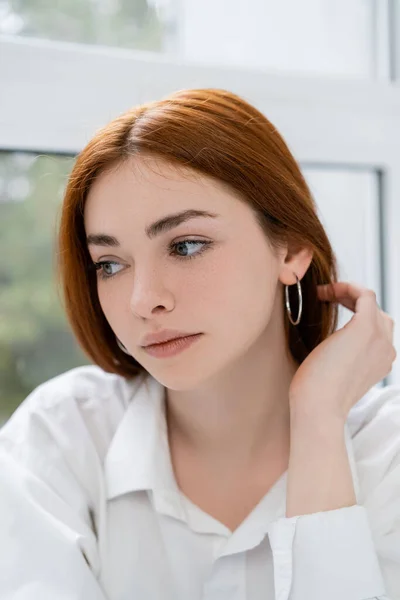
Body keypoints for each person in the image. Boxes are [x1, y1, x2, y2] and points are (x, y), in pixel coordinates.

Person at [0, 87, 399, 600]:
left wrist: (319, 420)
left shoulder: (385, 454)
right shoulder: (60, 439)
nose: (145, 300)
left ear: (293, 248)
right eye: (111, 264)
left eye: (186, 246)